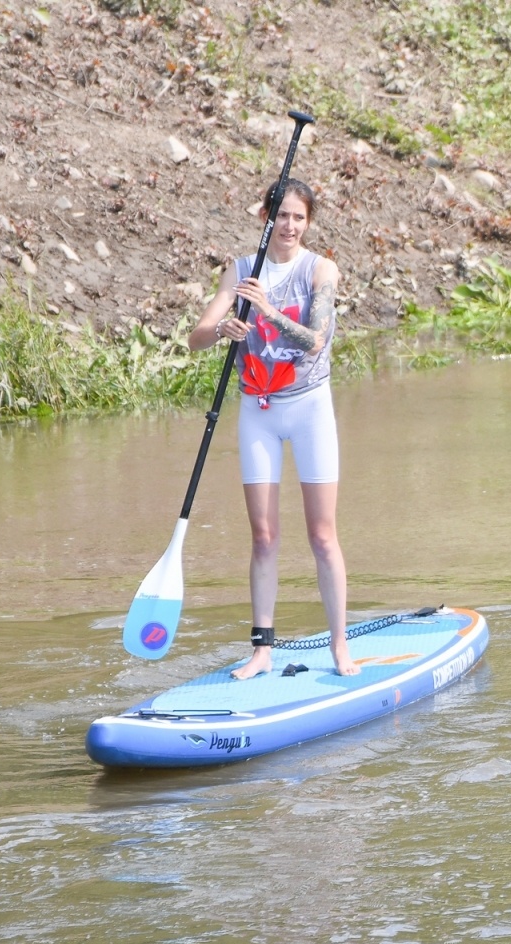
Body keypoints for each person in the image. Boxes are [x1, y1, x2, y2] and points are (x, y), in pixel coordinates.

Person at [187, 178, 359, 678]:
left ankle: (340, 645)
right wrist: (223, 329)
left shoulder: (319, 270)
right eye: (280, 215)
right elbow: (195, 338)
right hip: (258, 411)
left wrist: (264, 311)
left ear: (308, 223)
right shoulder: (241, 271)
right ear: (266, 216)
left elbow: (316, 340)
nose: (288, 225)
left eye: (298, 218)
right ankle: (262, 650)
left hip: (309, 408)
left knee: (322, 534)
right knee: (263, 535)